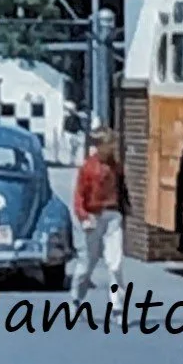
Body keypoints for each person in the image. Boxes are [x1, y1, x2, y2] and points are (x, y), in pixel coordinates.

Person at [70, 127, 129, 301]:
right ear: (100, 145)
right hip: (93, 216)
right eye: (109, 144)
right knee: (87, 263)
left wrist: (124, 210)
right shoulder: (88, 168)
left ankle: (117, 305)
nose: (112, 148)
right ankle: (76, 297)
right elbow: (79, 197)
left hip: (112, 215)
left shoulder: (116, 166)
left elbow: (121, 189)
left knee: (115, 263)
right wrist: (83, 216)